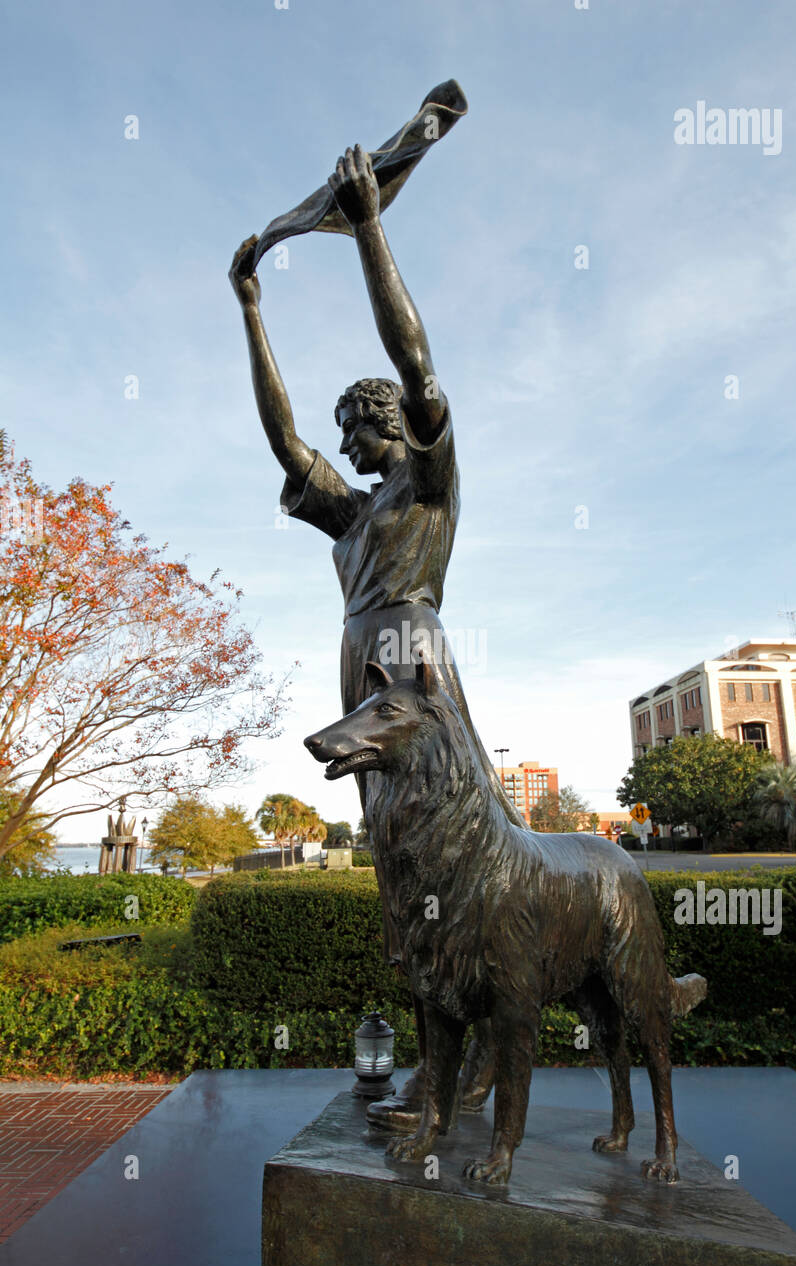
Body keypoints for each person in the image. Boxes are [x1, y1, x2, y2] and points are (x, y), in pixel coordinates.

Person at [230, 145, 523, 1127]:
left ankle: (477, 1048)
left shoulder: (428, 489)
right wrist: (251, 312)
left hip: (409, 662)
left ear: (392, 425)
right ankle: (440, 1066)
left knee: (449, 853)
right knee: (396, 870)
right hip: (360, 667)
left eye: (354, 428)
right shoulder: (352, 521)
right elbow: (282, 443)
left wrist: (367, 228)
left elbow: (417, 360)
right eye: (342, 431)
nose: (343, 445)